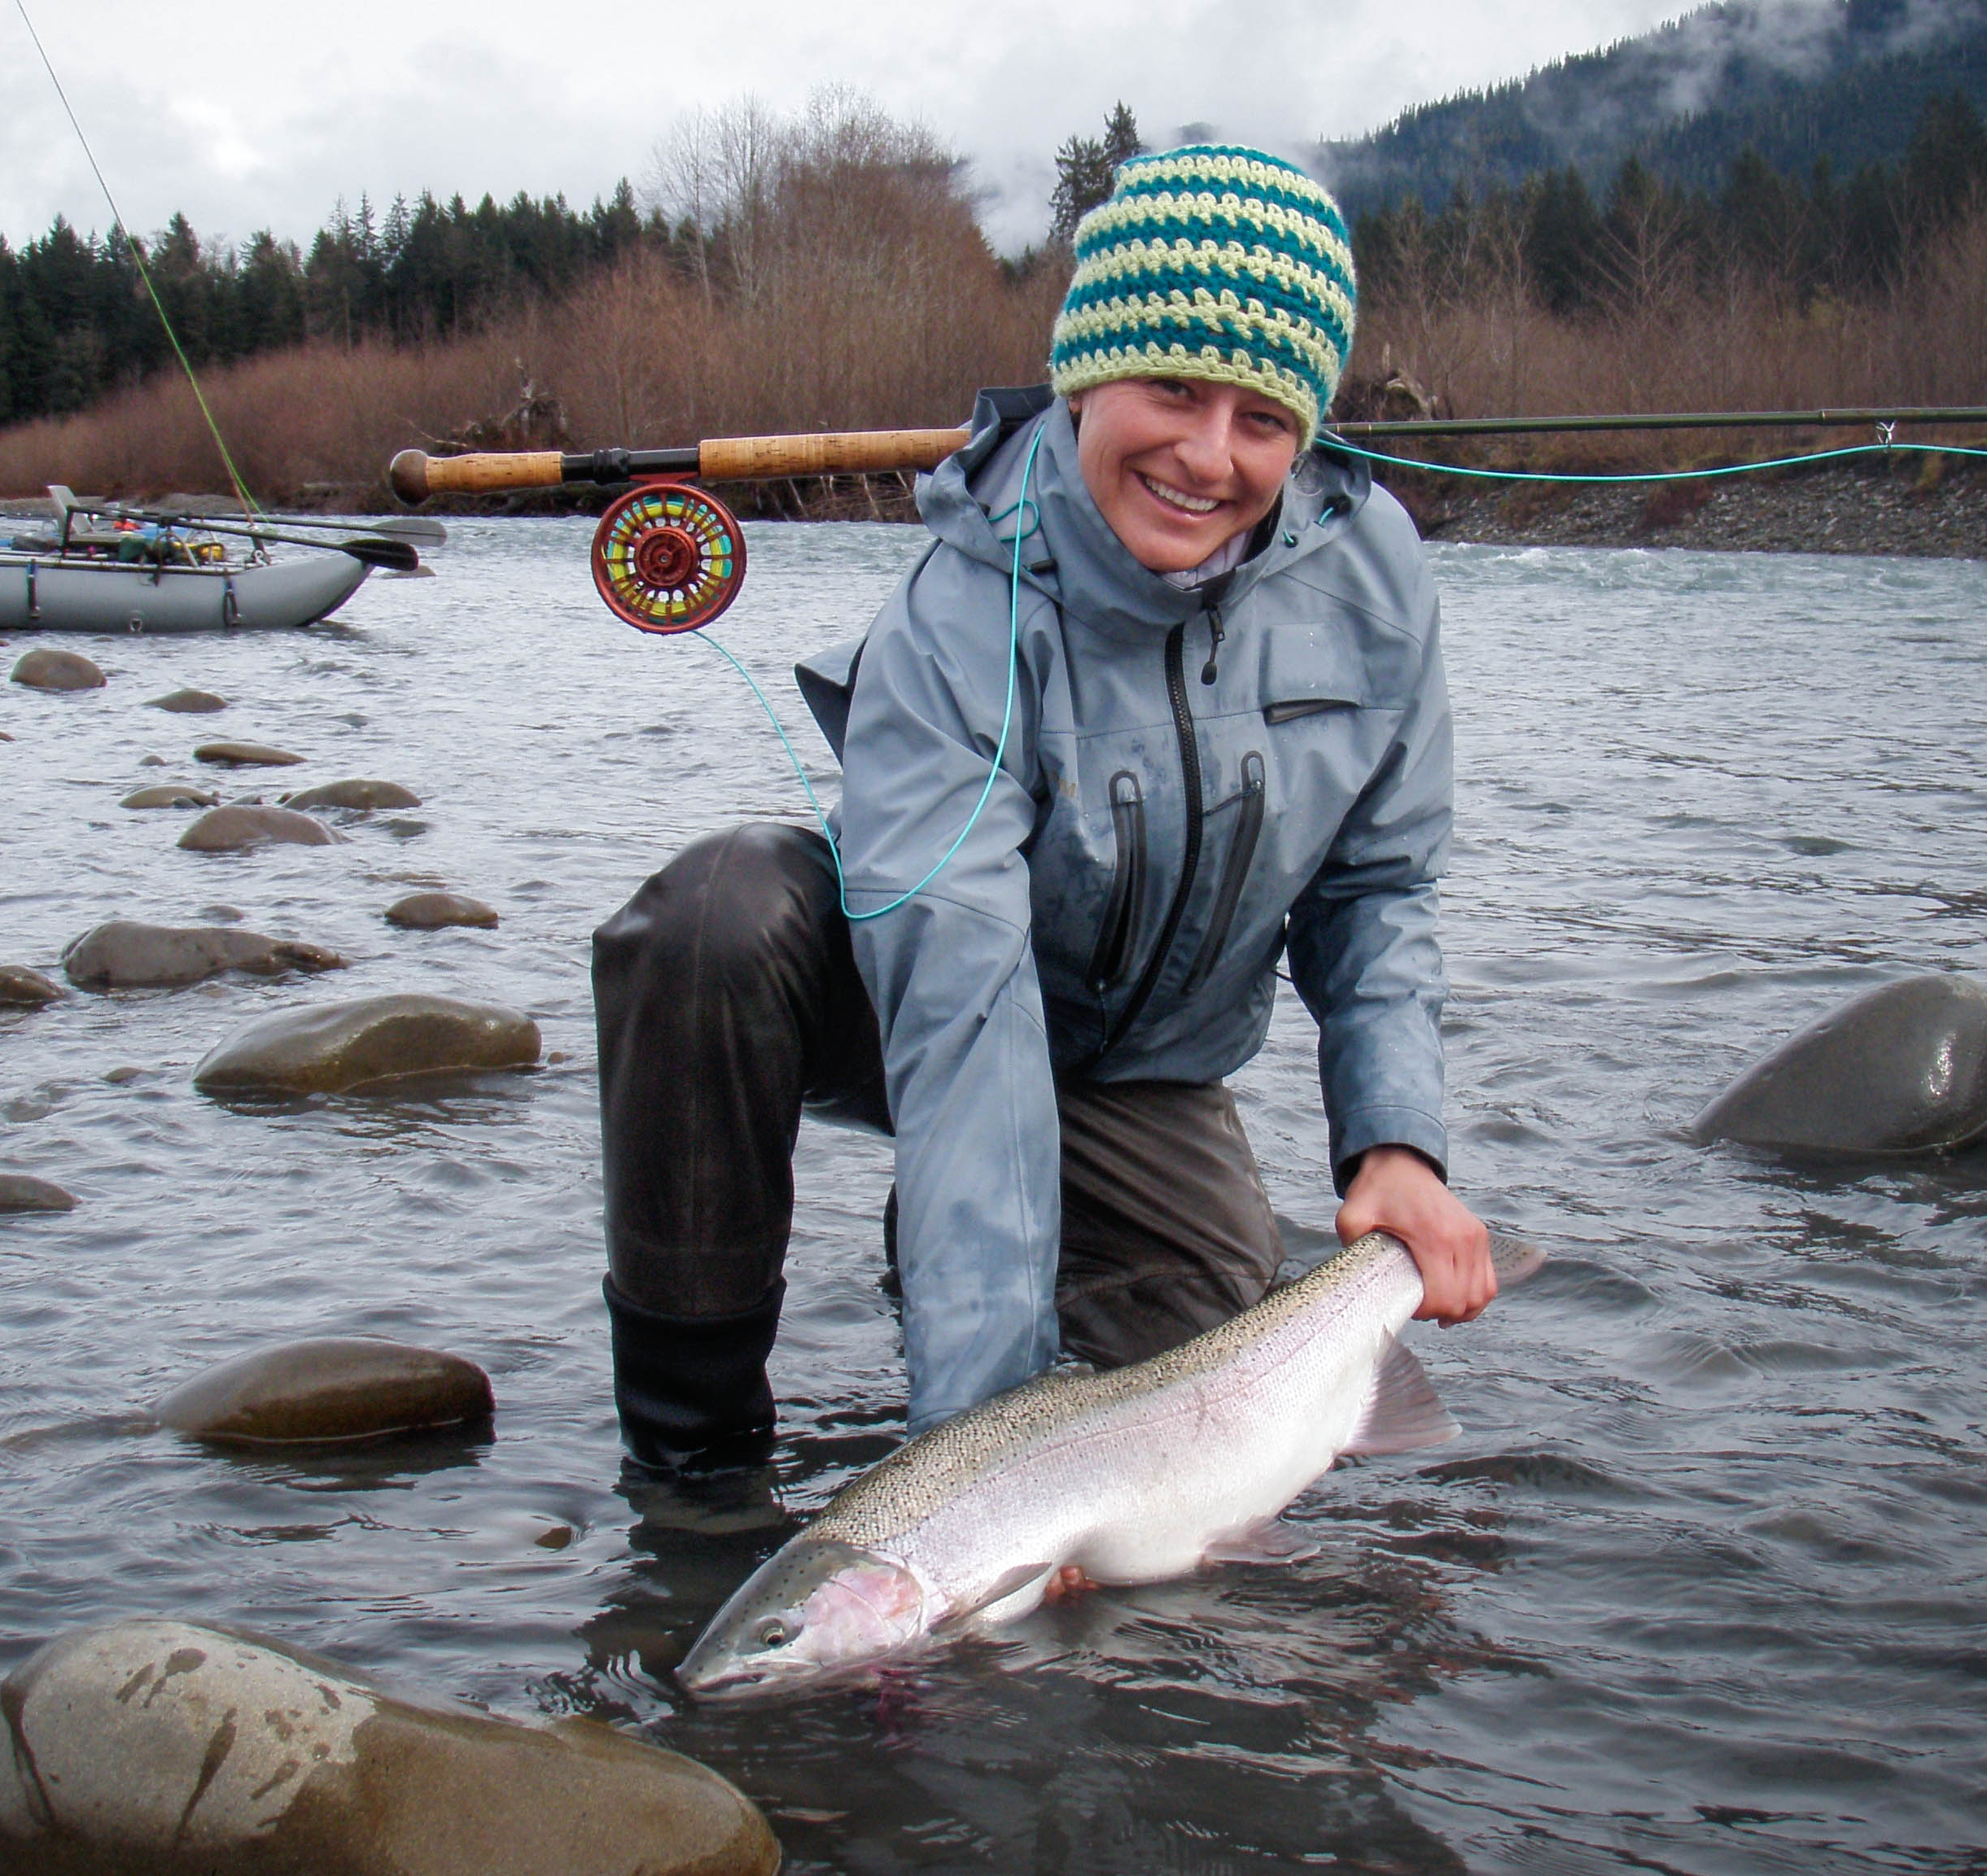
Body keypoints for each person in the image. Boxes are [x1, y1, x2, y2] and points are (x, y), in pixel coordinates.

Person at [594, 144, 1493, 1472]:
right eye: (1171, 392)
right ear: (1086, 374)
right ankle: (693, 1469)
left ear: (1304, 432)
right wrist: (979, 1450)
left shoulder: (1374, 577)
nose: (1206, 455)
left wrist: (1394, 1139)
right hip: (912, 1001)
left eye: (1259, 417)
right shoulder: (958, 616)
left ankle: (965, 1268)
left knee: (1211, 1437)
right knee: (714, 916)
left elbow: (1377, 890)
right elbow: (962, 1010)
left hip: (1143, 1071)